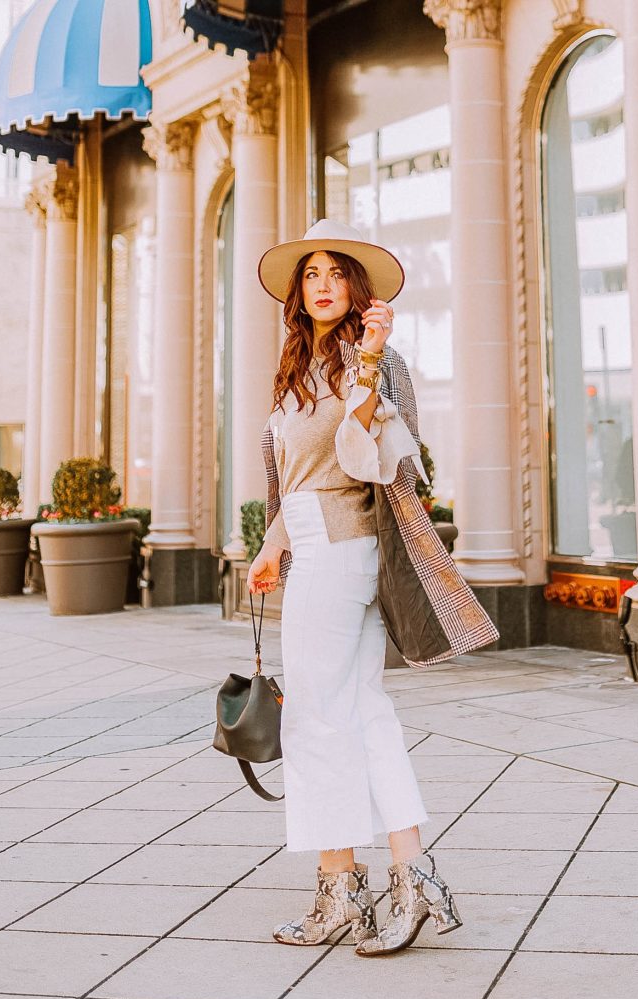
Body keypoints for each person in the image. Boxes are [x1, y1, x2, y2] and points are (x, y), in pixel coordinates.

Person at [249, 220, 499, 956]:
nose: (321, 281)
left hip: (340, 553)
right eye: (311, 272)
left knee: (315, 723)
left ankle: (337, 893)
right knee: (363, 711)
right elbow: (292, 476)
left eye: (335, 271)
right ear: (299, 291)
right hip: (317, 547)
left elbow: (373, 460)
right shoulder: (301, 365)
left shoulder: (372, 363)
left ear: (356, 289)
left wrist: (370, 360)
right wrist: (271, 543)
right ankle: (413, 876)